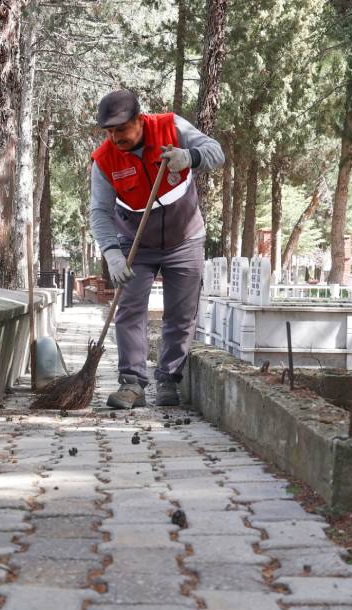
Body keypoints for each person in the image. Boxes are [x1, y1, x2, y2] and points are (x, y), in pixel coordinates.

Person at [89, 90, 225, 409]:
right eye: (109, 132)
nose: (115, 138)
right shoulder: (104, 160)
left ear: (139, 119)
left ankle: (168, 380)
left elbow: (216, 152)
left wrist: (189, 157)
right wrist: (112, 253)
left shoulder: (171, 127)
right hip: (136, 242)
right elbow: (99, 211)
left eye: (121, 129)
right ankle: (132, 383)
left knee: (181, 313)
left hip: (185, 238)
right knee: (130, 309)